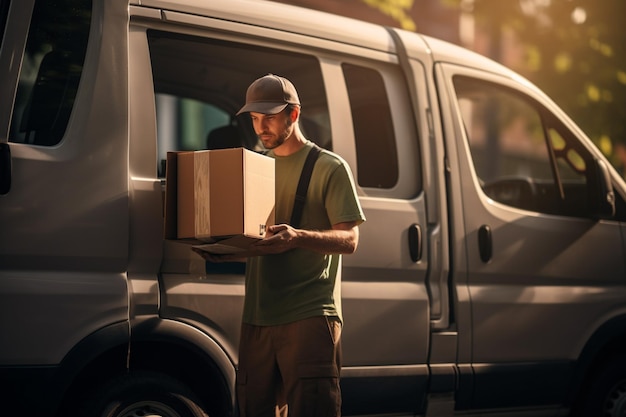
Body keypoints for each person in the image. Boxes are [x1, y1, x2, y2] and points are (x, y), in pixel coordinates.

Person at [194, 74, 365, 417]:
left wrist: (298, 236)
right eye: (255, 119)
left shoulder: (329, 167)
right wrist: (223, 248)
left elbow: (349, 240)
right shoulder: (253, 167)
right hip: (257, 317)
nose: (261, 127)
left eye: (269, 117)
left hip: (309, 316)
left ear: (294, 114)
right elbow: (256, 240)